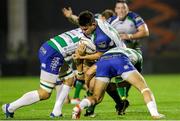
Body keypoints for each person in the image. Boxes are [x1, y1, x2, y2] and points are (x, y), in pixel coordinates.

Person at [1, 28, 85, 118]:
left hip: (50, 47)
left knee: (69, 78)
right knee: (44, 93)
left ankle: (57, 112)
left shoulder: (87, 25)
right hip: (53, 54)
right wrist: (80, 73)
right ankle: (9, 107)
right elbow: (79, 56)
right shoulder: (94, 34)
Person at [72, 47, 165, 120]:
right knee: (144, 88)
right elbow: (132, 81)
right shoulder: (138, 56)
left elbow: (88, 73)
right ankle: (155, 114)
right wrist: (117, 85)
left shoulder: (113, 50)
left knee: (96, 97)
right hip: (121, 59)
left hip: (104, 60)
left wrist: (88, 87)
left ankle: (79, 107)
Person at [105, 0, 150, 114]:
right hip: (119, 53)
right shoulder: (111, 21)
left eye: (123, 8)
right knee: (120, 73)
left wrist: (129, 35)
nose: (121, 10)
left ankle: (122, 98)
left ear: (127, 9)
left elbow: (145, 32)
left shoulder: (134, 17)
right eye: (119, 8)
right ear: (115, 10)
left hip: (135, 51)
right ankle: (123, 101)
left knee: (134, 78)